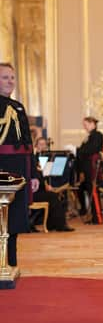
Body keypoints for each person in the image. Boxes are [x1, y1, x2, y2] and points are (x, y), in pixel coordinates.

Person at [0, 62, 39, 266]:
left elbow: (28, 144)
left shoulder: (19, 107)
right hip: (1, 166)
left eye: (12, 78)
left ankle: (12, 264)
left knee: (14, 218)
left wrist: (34, 174)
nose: (10, 81)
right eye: (5, 77)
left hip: (19, 169)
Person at [76, 116, 103, 224]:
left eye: (86, 124)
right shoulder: (90, 136)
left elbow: (92, 149)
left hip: (92, 168)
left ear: (92, 123)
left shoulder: (97, 135)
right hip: (87, 167)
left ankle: (97, 218)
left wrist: (80, 150)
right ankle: (91, 216)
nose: (84, 127)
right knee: (85, 189)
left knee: (93, 191)